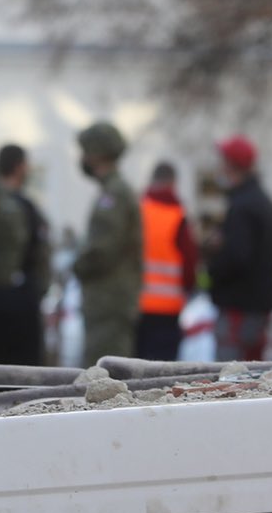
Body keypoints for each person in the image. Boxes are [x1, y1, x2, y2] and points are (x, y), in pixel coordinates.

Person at [0, 144, 52, 367]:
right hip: (21, 304)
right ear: (19, 167)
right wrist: (39, 291)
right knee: (23, 377)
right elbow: (42, 256)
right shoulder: (28, 208)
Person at [73, 122, 142, 365]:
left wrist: (76, 266)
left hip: (108, 303)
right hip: (109, 302)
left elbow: (102, 249)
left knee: (103, 373)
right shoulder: (114, 191)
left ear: (96, 154)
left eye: (85, 151)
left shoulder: (114, 194)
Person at [204, 134, 272, 361]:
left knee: (231, 378)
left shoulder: (242, 206)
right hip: (256, 309)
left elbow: (237, 257)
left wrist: (213, 259)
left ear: (231, 165)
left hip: (239, 309)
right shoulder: (261, 201)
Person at [135, 161, 199, 360]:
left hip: (137, 304)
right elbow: (190, 261)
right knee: (162, 371)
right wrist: (190, 288)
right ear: (173, 183)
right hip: (168, 308)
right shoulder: (178, 215)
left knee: (137, 365)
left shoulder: (138, 210)